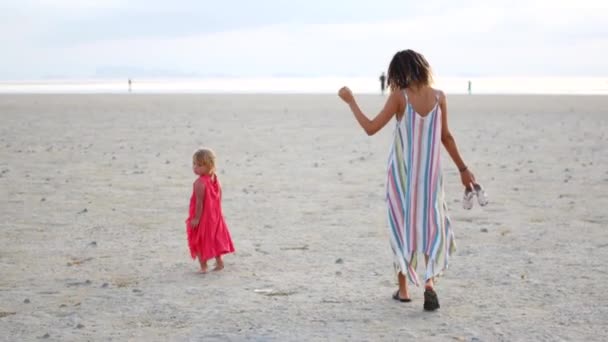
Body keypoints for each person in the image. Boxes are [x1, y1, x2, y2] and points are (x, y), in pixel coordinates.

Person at [338, 49, 478, 311]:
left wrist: (350, 101)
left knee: (401, 225)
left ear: (398, 73)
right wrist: (463, 169)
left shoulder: (400, 97)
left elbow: (370, 128)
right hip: (430, 176)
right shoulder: (439, 97)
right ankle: (429, 284)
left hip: (402, 176)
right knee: (430, 224)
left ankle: (403, 290)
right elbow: (446, 137)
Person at [186, 148, 235, 273]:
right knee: (215, 238)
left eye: (199, 165)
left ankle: (203, 267)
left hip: (203, 217)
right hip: (215, 215)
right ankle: (219, 262)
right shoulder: (215, 179)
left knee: (200, 240)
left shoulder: (199, 183)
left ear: (209, 166)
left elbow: (199, 203)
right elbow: (219, 195)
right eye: (194, 164)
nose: (195, 168)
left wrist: (196, 218)